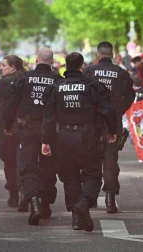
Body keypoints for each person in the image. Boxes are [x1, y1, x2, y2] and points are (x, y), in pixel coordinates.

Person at [41, 52, 117, 231]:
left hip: (64, 136)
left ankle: (76, 219)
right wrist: (112, 131)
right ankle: (84, 203)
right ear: (82, 66)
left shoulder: (56, 87)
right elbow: (108, 109)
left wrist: (46, 140)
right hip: (87, 136)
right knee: (92, 174)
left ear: (65, 66)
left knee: (69, 176)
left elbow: (48, 117)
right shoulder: (92, 86)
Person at [4, 47, 62, 225]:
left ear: (36, 60)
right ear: (52, 61)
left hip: (27, 128)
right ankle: (45, 205)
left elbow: (12, 103)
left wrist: (7, 125)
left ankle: (34, 201)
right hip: (50, 131)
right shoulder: (58, 80)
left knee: (28, 166)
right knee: (48, 166)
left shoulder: (24, 78)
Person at [83, 41, 135, 213]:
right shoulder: (121, 73)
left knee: (91, 157)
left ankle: (90, 196)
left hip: (93, 121)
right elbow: (130, 95)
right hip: (113, 120)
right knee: (110, 158)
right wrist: (119, 110)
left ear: (98, 55)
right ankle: (110, 198)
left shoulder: (89, 71)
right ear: (112, 54)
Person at [0, 55, 26, 208]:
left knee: (10, 162)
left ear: (13, 67)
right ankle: (24, 192)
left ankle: (14, 195)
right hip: (25, 128)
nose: (0, 67)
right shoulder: (27, 80)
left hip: (6, 130)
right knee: (25, 161)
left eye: (3, 65)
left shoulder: (2, 84)